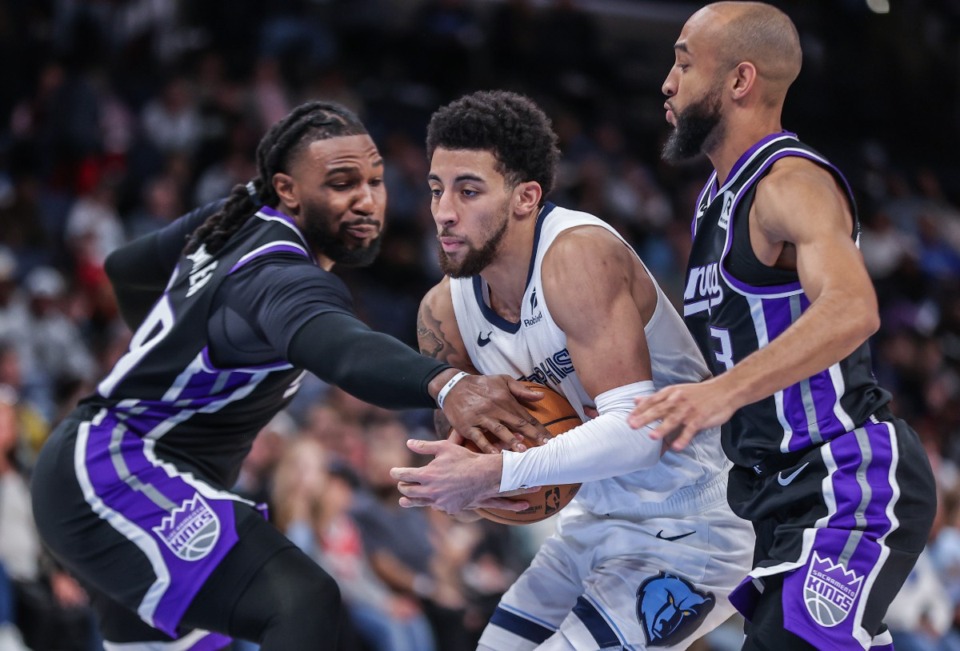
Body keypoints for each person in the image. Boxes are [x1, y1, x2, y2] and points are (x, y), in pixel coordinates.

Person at [29, 100, 550, 651]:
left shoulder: (231, 227)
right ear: (288, 189)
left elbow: (127, 269)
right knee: (301, 602)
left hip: (111, 475)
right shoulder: (279, 272)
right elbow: (342, 350)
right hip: (115, 471)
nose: (368, 199)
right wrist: (447, 383)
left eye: (376, 180)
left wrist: (177, 338)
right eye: (342, 183)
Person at [390, 89, 754, 650]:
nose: (443, 211)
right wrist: (463, 493)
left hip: (694, 519)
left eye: (468, 190)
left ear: (526, 197)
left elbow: (640, 439)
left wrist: (496, 476)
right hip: (591, 521)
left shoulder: (577, 256)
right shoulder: (443, 313)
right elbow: (477, 465)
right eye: (437, 189)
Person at [626, 4, 938, 650]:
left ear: (739, 81)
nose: (667, 80)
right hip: (777, 501)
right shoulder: (713, 205)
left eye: (684, 61)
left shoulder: (789, 184)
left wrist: (719, 394)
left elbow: (854, 309)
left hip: (844, 483)